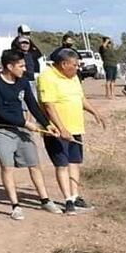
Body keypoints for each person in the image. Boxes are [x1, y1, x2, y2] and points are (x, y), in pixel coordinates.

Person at [0, 50, 64, 220]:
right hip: (1, 130)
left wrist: (47, 124)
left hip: (21, 129)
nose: (24, 68)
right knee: (7, 167)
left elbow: (33, 105)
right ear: (9, 66)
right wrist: (26, 123)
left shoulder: (23, 81)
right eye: (21, 66)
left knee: (34, 164)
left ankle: (45, 200)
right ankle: (15, 205)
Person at [37, 48, 107, 215]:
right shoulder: (47, 77)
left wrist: (95, 112)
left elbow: (80, 98)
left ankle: (75, 196)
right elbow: (49, 105)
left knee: (75, 162)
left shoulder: (74, 77)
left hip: (75, 128)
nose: (78, 68)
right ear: (64, 64)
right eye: (75, 65)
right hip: (56, 131)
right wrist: (62, 128)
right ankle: (68, 200)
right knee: (62, 164)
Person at [13, 35, 41, 100]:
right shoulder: (16, 56)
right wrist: (32, 75)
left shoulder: (32, 55)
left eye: (27, 43)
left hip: (34, 82)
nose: (25, 45)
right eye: (22, 43)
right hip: (22, 82)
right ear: (18, 44)